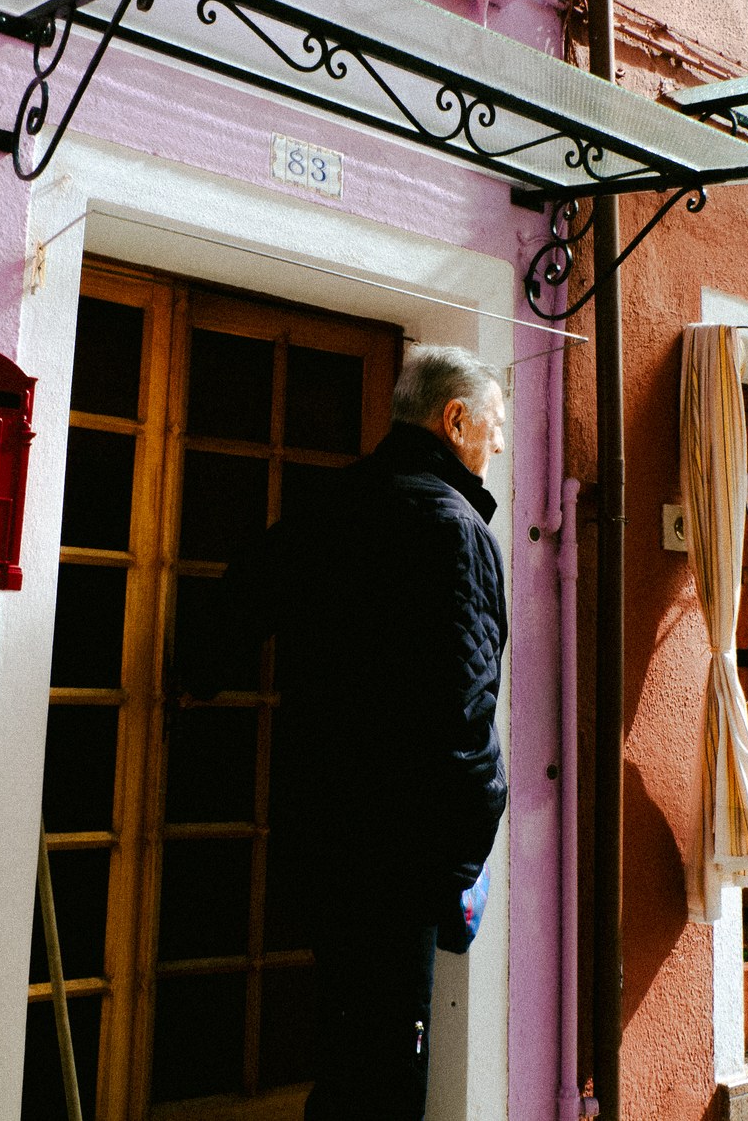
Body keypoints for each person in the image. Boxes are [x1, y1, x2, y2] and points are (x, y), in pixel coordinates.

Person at [190, 344, 509, 1121]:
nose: (497, 443)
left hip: (319, 832)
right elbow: (466, 716)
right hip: (400, 856)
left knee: (343, 1054)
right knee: (389, 1075)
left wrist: (195, 682)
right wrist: (463, 860)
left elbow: (231, 612)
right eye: (492, 425)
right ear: (454, 418)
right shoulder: (454, 528)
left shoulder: (326, 505)